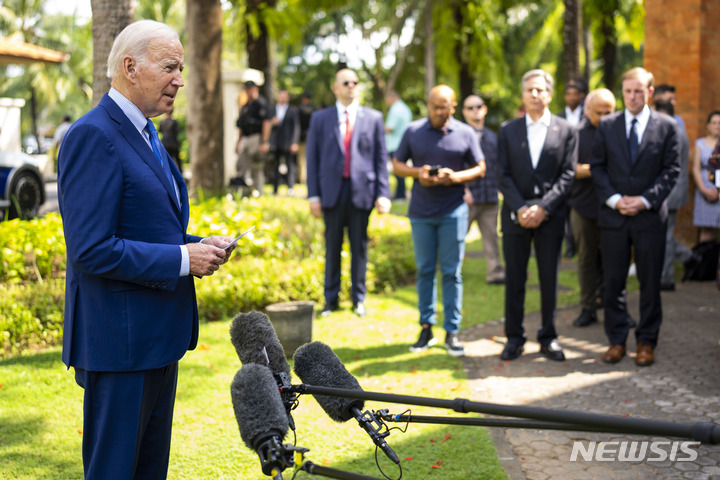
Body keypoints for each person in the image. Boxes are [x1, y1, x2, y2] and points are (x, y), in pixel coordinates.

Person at [57, 20, 235, 479]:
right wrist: (182, 260)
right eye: (170, 67)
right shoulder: (93, 135)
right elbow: (90, 248)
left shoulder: (148, 132)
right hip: (120, 344)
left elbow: (148, 228)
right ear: (130, 67)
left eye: (182, 67)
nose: (180, 79)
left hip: (157, 340)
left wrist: (198, 246)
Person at [590, 67, 681, 367]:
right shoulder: (607, 125)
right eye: (628, 91)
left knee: (650, 282)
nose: (632, 96)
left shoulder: (667, 126)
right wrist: (616, 201)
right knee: (613, 282)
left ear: (650, 92)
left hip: (649, 217)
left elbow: (671, 171)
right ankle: (616, 341)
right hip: (614, 218)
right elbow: (598, 168)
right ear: (622, 92)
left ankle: (646, 341)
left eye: (639, 91)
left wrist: (644, 201)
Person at [394, 85, 486, 357]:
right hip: (421, 212)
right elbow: (397, 164)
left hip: (453, 212)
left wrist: (456, 177)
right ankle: (426, 328)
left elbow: (481, 167)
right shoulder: (413, 131)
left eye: (444, 107)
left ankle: (452, 331)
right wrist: (417, 173)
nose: (438, 112)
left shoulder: (466, 132)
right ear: (428, 104)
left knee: (451, 272)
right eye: (434, 106)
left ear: (453, 106)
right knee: (424, 270)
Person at [497, 69, 577, 361]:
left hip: (551, 216)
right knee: (515, 278)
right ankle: (514, 338)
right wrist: (520, 208)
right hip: (515, 216)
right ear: (523, 94)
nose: (535, 94)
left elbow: (568, 175)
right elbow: (502, 175)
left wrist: (543, 207)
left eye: (540, 90)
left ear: (549, 94)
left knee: (549, 279)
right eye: (529, 90)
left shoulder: (566, 130)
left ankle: (549, 336)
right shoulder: (507, 130)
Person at [306, 69, 391, 318]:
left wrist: (383, 193)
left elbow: (380, 158)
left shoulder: (373, 118)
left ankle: (359, 299)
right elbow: (313, 159)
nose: (351, 86)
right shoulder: (320, 119)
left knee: (359, 248)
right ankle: (330, 300)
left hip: (361, 193)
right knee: (332, 247)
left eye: (355, 82)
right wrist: (313, 196)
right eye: (346, 82)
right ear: (336, 88)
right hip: (331, 193)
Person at [568, 88, 616, 327]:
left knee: (614, 259)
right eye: (600, 112)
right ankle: (587, 307)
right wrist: (598, 169)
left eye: (610, 111)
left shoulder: (620, 132)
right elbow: (570, 169)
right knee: (586, 259)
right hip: (584, 205)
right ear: (587, 111)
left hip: (614, 206)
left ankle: (614, 307)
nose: (605, 117)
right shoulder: (576, 133)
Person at [461, 94, 505, 284]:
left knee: (491, 238)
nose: (475, 110)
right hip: (467, 196)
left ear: (484, 109)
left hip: (489, 196)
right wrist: (464, 190)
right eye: (470, 107)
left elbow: (498, 166)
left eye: (478, 106)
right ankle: (450, 272)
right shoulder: (459, 134)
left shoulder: (492, 137)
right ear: (463, 112)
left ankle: (495, 273)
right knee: (456, 238)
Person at [654, 99, 693, 291]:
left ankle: (666, 277)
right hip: (676, 189)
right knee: (665, 233)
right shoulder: (680, 130)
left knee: (666, 236)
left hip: (670, 191)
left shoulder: (670, 131)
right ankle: (689, 257)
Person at [235, 80, 272, 196]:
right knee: (240, 165)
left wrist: (264, 142)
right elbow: (241, 126)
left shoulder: (261, 103)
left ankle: (258, 192)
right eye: (247, 88)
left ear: (256, 89)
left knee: (256, 166)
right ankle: (243, 191)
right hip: (246, 137)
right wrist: (238, 142)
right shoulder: (245, 106)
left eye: (251, 88)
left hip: (256, 137)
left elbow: (267, 122)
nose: (249, 91)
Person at [691, 111, 720, 242]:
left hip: (717, 189)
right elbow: (696, 168)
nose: (717, 126)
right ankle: (706, 260)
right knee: (706, 229)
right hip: (704, 190)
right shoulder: (700, 144)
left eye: (719, 123)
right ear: (708, 125)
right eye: (714, 123)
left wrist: (718, 191)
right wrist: (704, 189)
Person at [269, 89, 300, 195]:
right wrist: (272, 123)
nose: (282, 98)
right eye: (280, 96)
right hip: (276, 142)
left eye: (284, 96)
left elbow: (296, 128)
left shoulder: (292, 111)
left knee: (290, 165)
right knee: (275, 166)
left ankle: (290, 187)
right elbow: (266, 125)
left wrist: (294, 142)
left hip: (288, 142)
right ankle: (275, 188)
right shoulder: (272, 110)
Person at [384, 90, 413, 200]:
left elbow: (390, 128)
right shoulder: (405, 108)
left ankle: (400, 195)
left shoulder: (395, 109)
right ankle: (401, 194)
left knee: (397, 170)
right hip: (403, 143)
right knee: (400, 169)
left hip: (395, 144)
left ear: (392, 98)